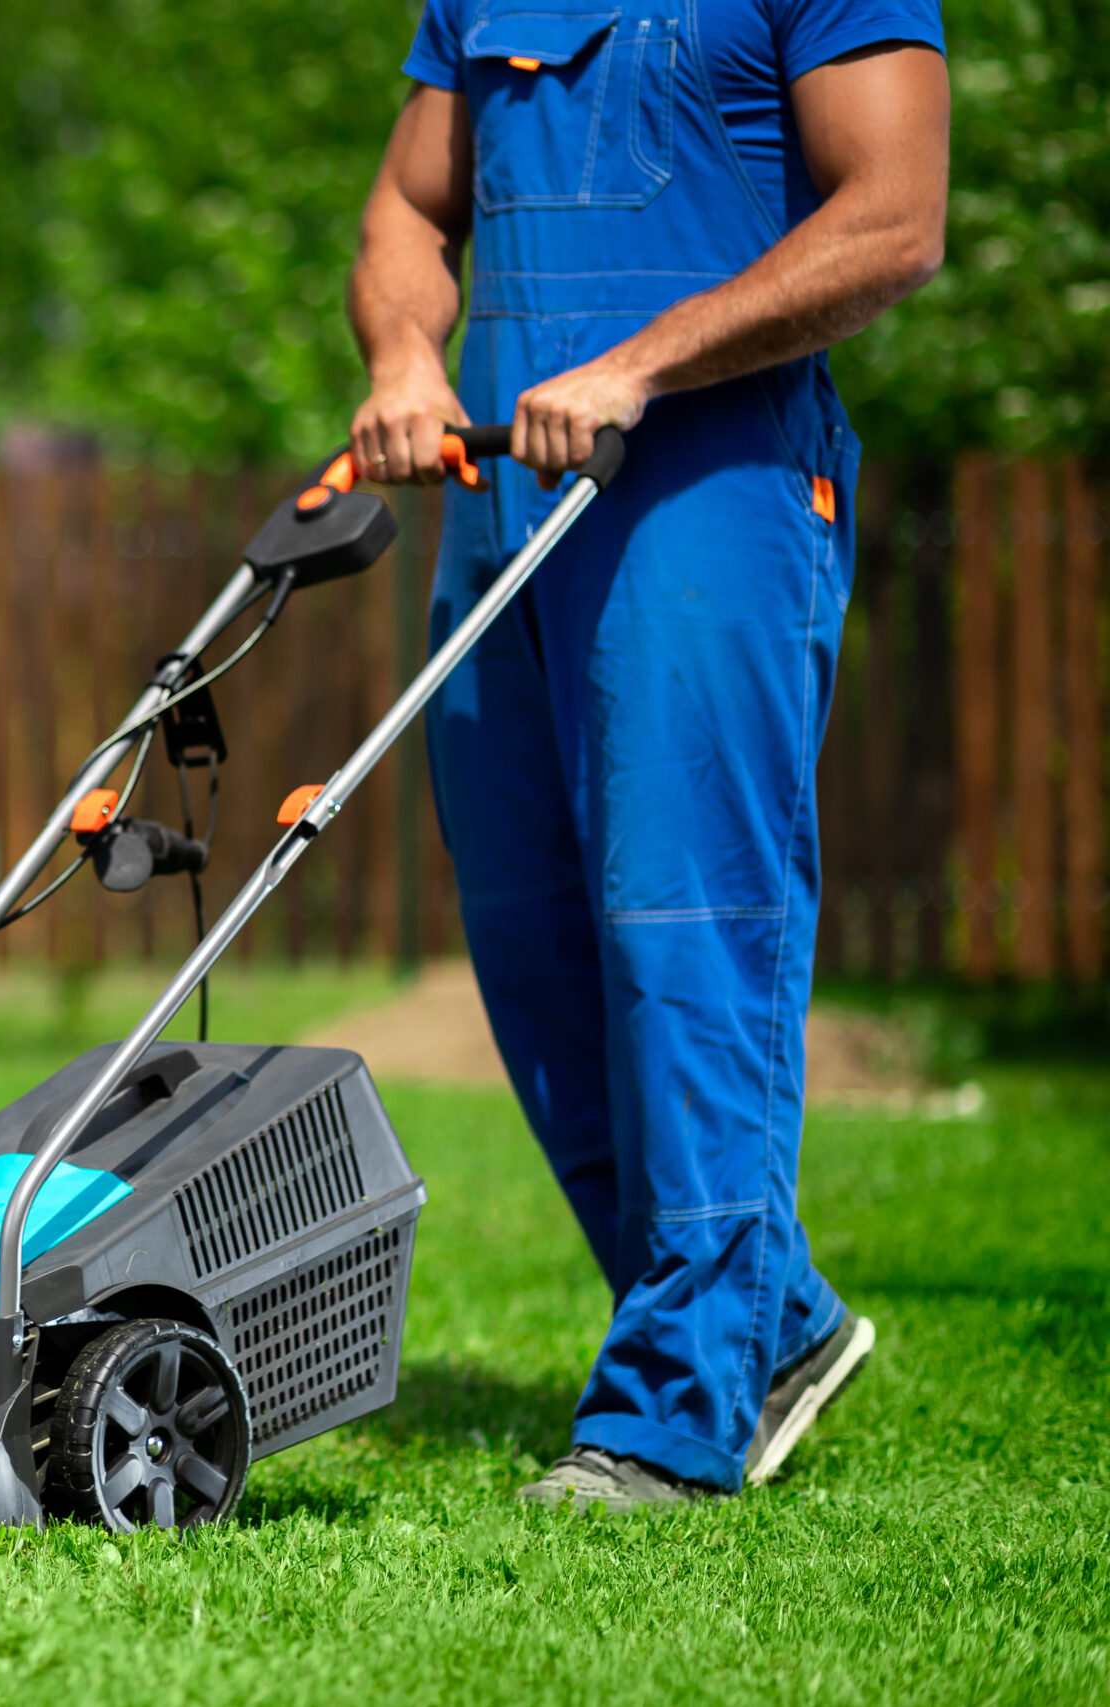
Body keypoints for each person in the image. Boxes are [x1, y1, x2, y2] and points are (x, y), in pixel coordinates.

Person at [345, 0, 949, 1509]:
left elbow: (894, 221)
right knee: (533, 941)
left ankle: (675, 1411)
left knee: (687, 932)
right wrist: (407, 356)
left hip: (710, 485)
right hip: (506, 494)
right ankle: (770, 1320)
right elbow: (410, 208)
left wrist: (646, 364)